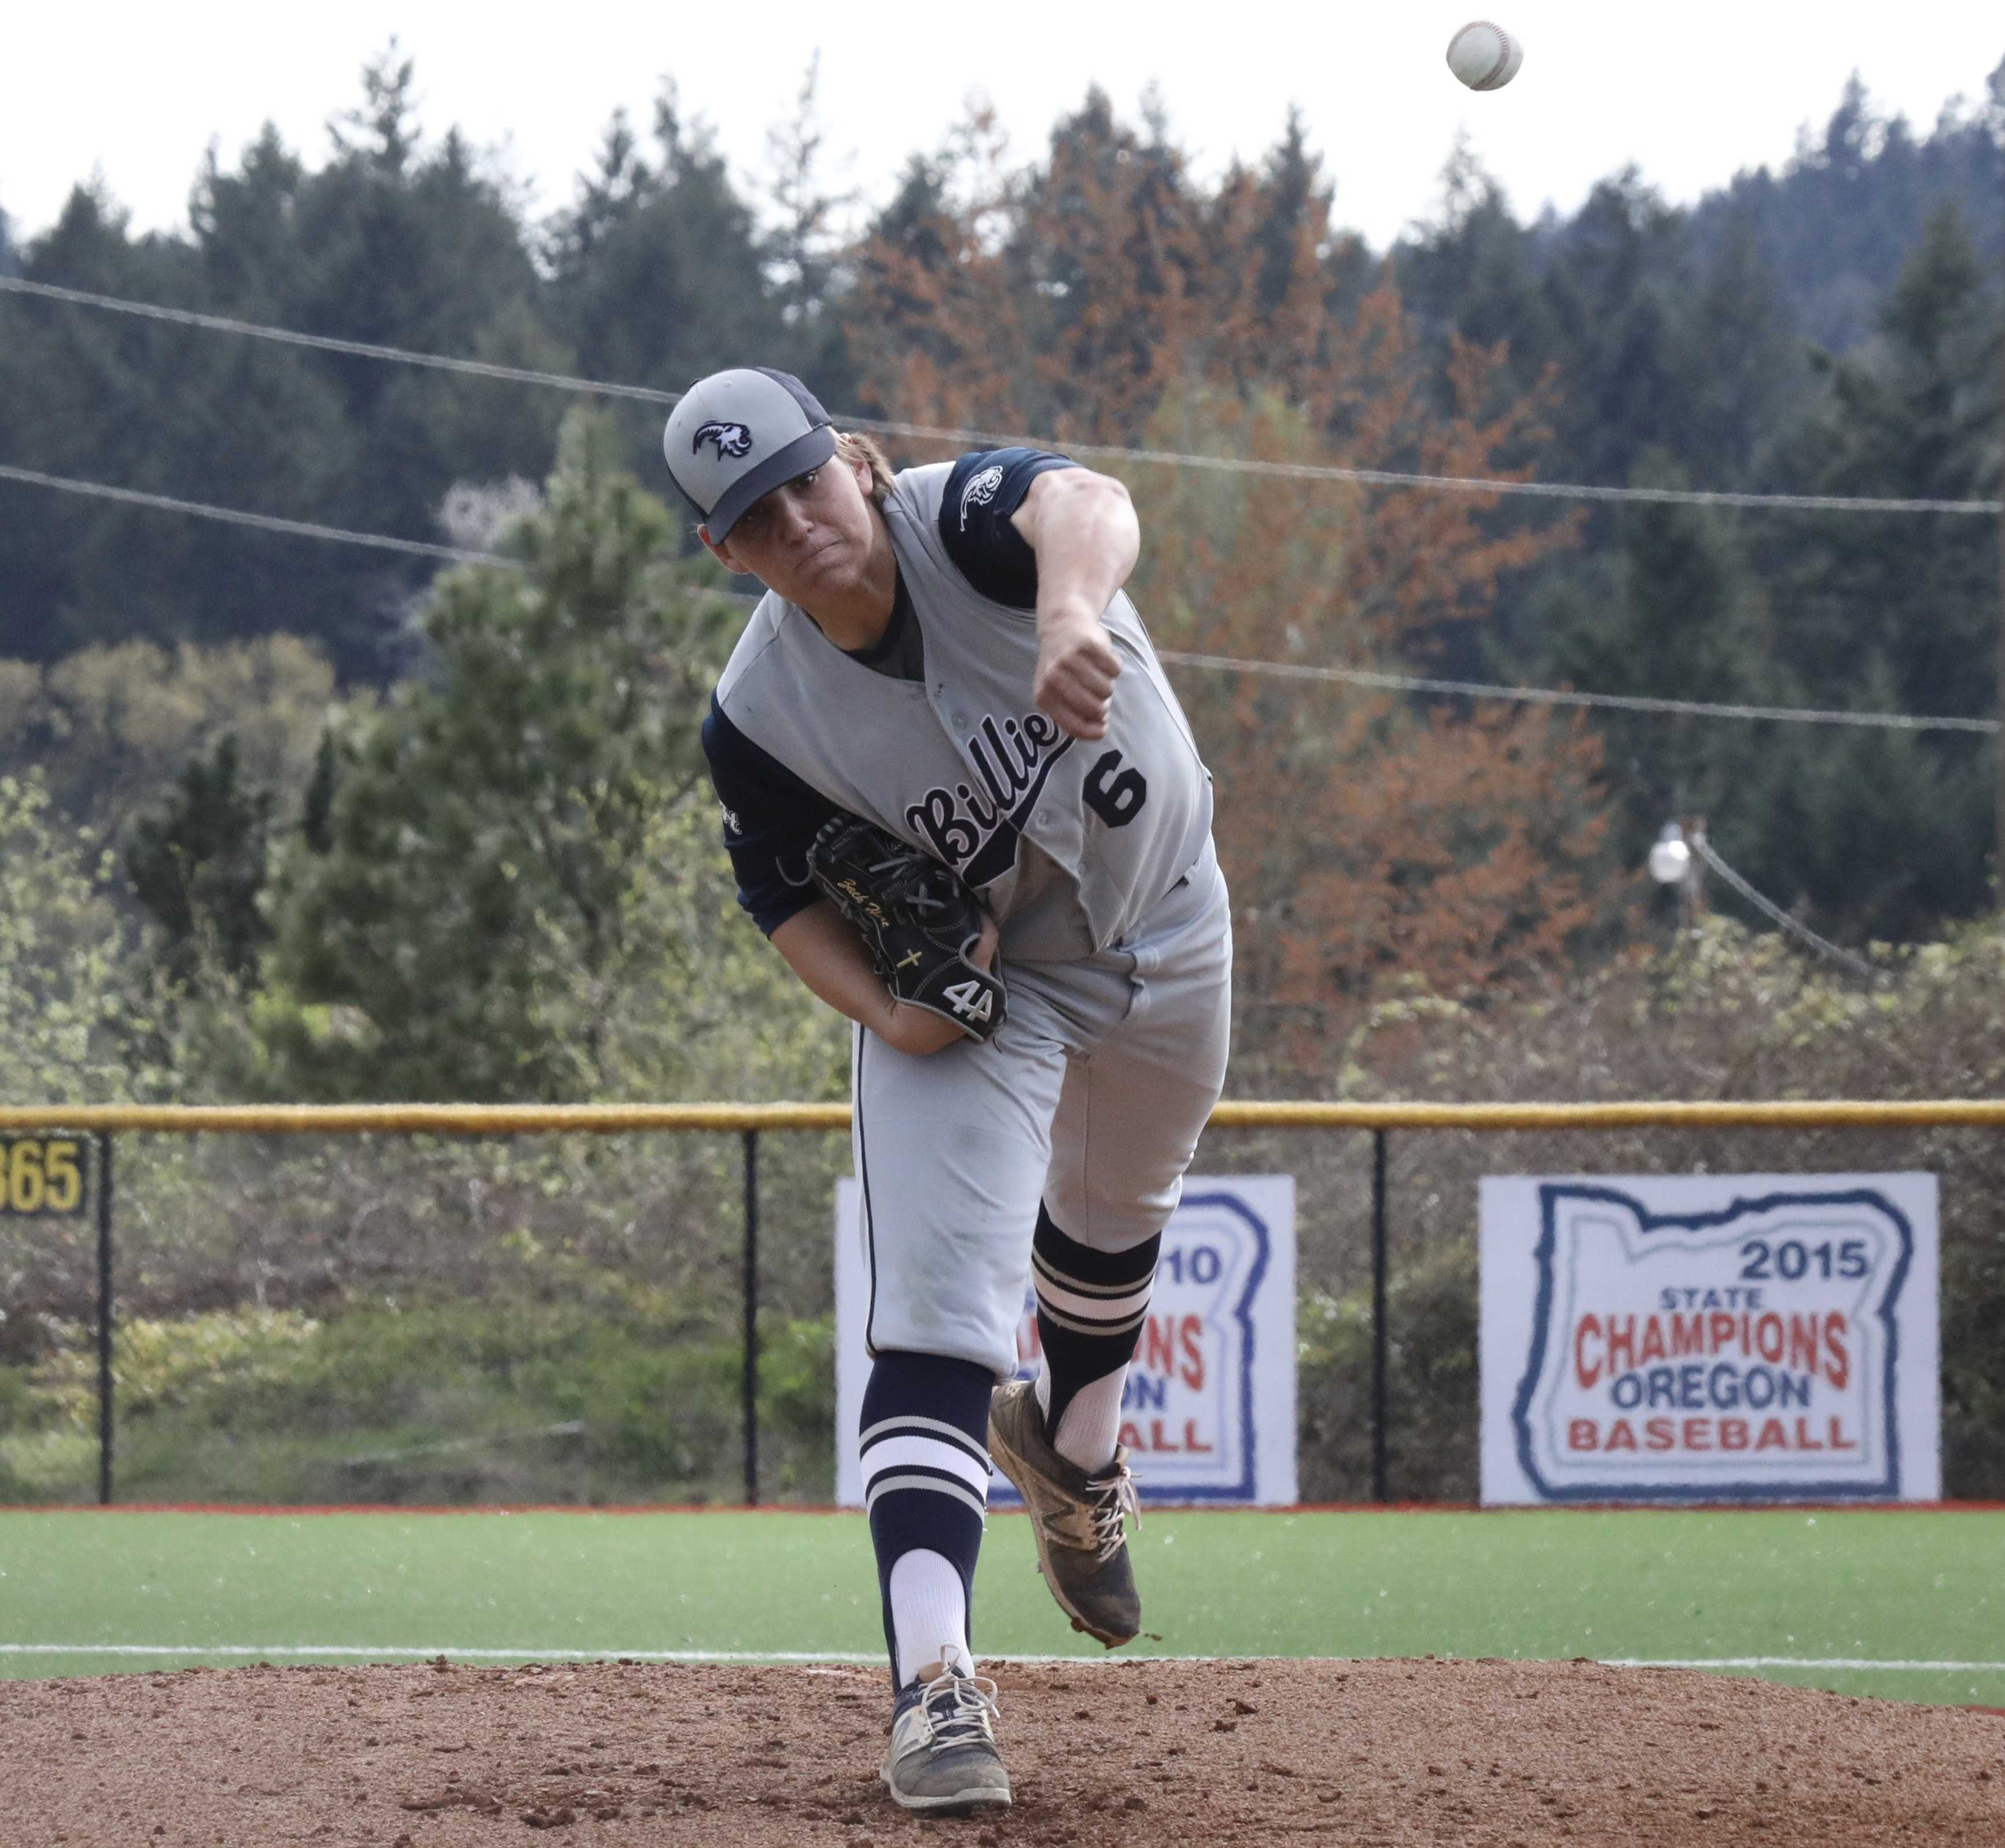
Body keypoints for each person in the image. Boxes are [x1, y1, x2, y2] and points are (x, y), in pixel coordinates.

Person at [664, 367, 1231, 1813]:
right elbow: (775, 893)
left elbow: (1089, 504)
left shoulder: (963, 521)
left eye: (803, 481)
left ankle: (1071, 1451)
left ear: (854, 462)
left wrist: (1062, 613)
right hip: (991, 986)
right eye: (752, 518)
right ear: (727, 553)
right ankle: (931, 1684)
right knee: (935, 1315)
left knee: (1117, 1213)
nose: (795, 522)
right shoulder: (756, 718)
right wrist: (884, 1012)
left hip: (1171, 914)